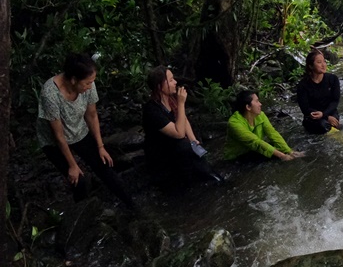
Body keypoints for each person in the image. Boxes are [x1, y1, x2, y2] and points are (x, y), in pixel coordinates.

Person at [37, 52, 134, 209]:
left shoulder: (88, 82)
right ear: (74, 80)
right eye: (87, 83)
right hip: (54, 142)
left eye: (91, 82)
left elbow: (92, 115)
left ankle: (133, 208)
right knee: (79, 180)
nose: (90, 86)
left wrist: (100, 146)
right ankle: (81, 218)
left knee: (105, 166)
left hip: (78, 130)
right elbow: (59, 135)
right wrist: (72, 165)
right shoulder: (50, 94)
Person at [142, 66, 222, 189]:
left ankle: (214, 179)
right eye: (171, 80)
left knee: (194, 146)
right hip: (163, 156)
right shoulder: (152, 110)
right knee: (184, 147)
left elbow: (183, 119)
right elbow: (179, 133)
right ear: (160, 86)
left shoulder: (170, 99)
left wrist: (193, 140)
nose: (175, 82)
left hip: (177, 148)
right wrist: (181, 103)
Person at [224, 90, 304, 162]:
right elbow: (255, 142)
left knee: (278, 149)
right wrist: (283, 156)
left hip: (253, 151)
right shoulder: (234, 123)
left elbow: (272, 134)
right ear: (248, 107)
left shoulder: (260, 115)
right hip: (238, 157)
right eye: (257, 101)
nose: (260, 104)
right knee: (277, 156)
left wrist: (289, 151)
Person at [296, 49, 341, 134]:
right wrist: (324, 116)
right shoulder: (303, 85)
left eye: (324, 61)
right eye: (319, 62)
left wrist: (325, 115)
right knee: (323, 126)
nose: (323, 65)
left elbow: (335, 101)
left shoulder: (333, 79)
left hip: (330, 112)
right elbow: (305, 109)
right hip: (313, 116)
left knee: (334, 125)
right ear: (310, 66)